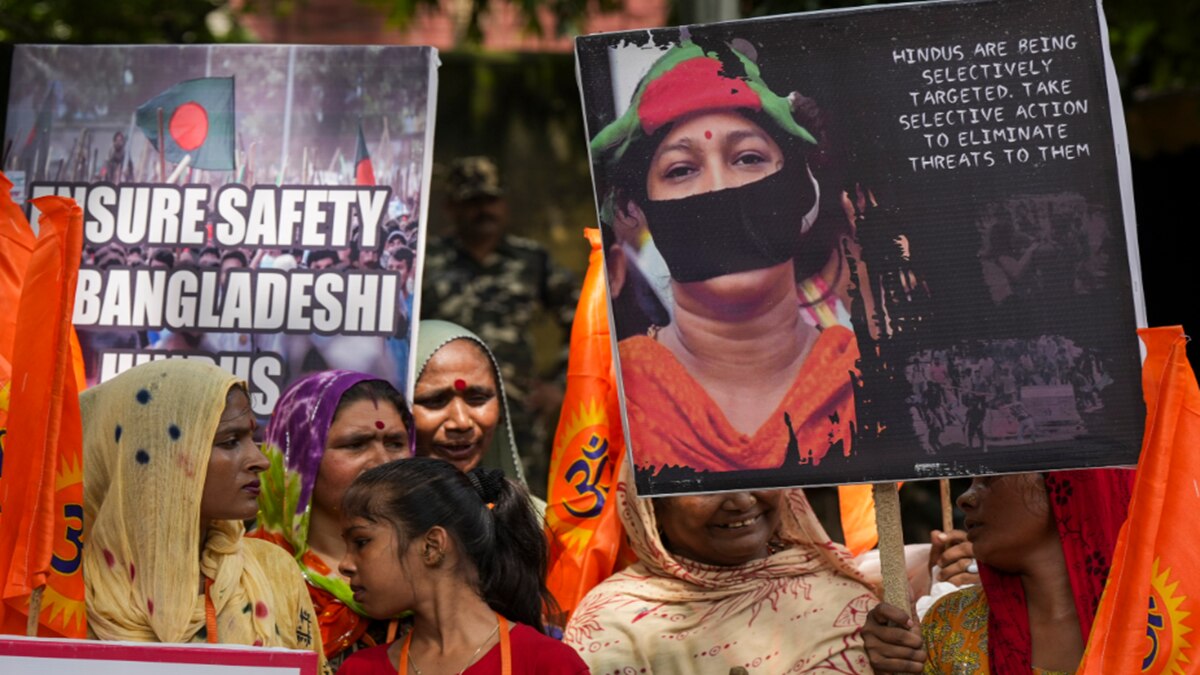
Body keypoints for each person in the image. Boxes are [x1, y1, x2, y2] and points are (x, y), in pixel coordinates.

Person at [591, 39, 858, 479]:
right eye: (681, 169)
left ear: (800, 187)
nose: (718, 188)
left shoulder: (880, 386)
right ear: (637, 209)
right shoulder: (608, 403)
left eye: (748, 158)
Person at [81, 360, 325, 667]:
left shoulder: (274, 569)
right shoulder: (67, 591)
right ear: (157, 457)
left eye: (252, 438)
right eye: (230, 442)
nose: (260, 460)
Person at [563, 463, 876, 672]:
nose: (742, 501)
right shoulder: (614, 624)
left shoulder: (840, 593)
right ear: (651, 506)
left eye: (755, 471)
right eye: (706, 484)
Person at [861, 469, 1133, 674]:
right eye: (972, 480)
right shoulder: (948, 624)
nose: (964, 498)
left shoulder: (1151, 620)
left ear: (1065, 481)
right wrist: (898, 665)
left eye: (990, 476)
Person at [336, 458, 589, 674]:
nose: (344, 565)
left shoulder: (548, 664)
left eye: (361, 542)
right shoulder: (359, 669)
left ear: (432, 546)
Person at [421, 156, 578, 493]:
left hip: (517, 413)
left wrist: (560, 384)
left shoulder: (531, 259)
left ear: (504, 203)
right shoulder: (427, 260)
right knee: (444, 500)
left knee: (520, 503)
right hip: (446, 416)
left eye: (491, 200)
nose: (484, 210)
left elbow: (582, 318)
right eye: (472, 201)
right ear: (451, 207)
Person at [252, 370, 412, 667]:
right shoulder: (247, 574)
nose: (382, 462)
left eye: (394, 443)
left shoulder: (433, 566)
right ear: (297, 459)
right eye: (356, 444)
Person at [412, 320, 527, 483]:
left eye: (478, 399)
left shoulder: (528, 503)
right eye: (435, 401)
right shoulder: (375, 500)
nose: (462, 423)